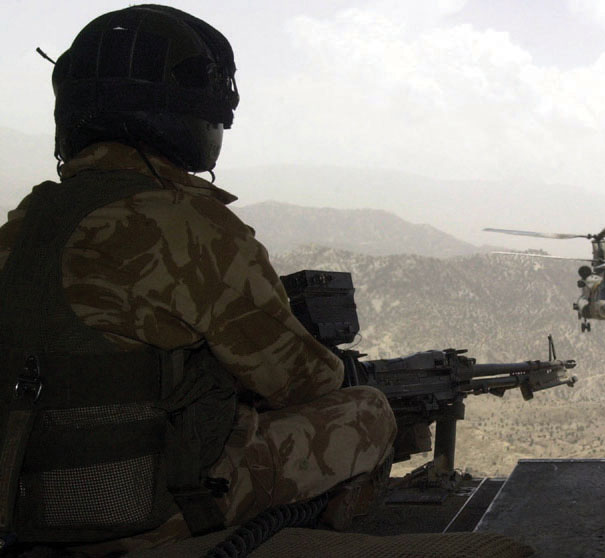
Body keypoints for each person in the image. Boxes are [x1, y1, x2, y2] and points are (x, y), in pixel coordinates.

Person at [0, 5, 396, 555]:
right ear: (194, 117)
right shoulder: (190, 225)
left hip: (22, 511)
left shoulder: (24, 222)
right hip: (151, 512)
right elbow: (304, 382)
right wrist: (341, 370)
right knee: (369, 411)